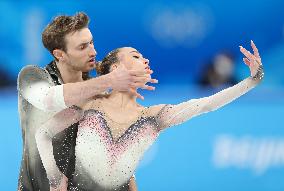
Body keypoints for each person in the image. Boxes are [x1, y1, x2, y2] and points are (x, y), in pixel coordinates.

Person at [35, 40, 264, 191]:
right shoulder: (89, 102)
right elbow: (43, 132)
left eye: (144, 58)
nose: (145, 60)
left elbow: (206, 105)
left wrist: (251, 81)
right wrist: (56, 180)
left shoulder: (152, 117)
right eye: (135, 56)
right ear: (116, 69)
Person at [17, 12, 157, 191]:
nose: (93, 52)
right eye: (83, 47)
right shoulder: (33, 77)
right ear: (60, 54)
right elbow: (48, 100)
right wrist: (109, 81)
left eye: (91, 42)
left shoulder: (98, 90)